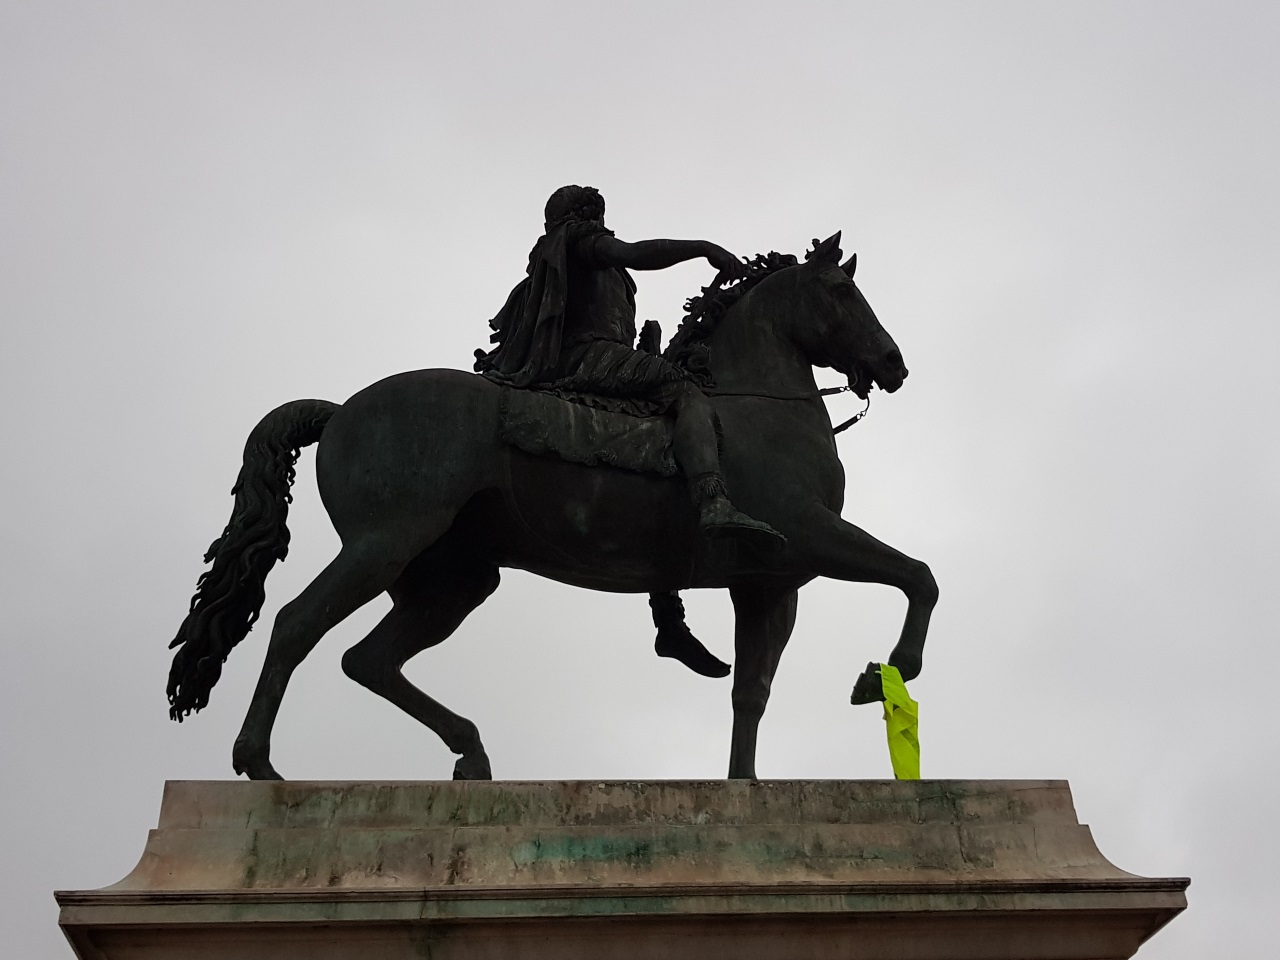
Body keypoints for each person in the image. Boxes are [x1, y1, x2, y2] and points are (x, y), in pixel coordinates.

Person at [475, 184, 784, 550]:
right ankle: (712, 501)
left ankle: (664, 582)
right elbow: (635, 254)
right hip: (589, 355)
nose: (606, 226)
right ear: (589, 216)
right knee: (687, 393)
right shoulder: (580, 241)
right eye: (601, 217)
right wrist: (702, 249)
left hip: (593, 354)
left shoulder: (561, 256)